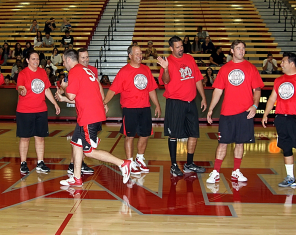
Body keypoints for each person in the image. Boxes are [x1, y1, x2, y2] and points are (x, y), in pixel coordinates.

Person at [56, 49, 132, 186]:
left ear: (68, 60)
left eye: (63, 60)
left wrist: (64, 87)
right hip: (92, 113)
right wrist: (62, 98)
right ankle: (76, 177)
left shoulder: (74, 72)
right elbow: (84, 96)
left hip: (88, 116)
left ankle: (123, 163)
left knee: (89, 151)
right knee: (76, 143)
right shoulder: (87, 71)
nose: (63, 63)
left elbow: (72, 95)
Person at [206, 40, 264, 184]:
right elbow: (218, 91)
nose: (241, 51)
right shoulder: (225, 69)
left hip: (245, 112)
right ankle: (216, 172)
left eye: (243, 48)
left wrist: (255, 105)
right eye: (238, 48)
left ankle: (236, 172)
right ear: (232, 51)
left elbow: (257, 89)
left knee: (240, 143)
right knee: (222, 143)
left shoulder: (251, 68)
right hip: (227, 113)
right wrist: (211, 109)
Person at [103, 44, 161, 174]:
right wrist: (104, 102)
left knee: (145, 134)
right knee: (129, 136)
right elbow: (113, 90)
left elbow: (151, 89)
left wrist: (157, 104)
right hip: (129, 109)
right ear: (130, 56)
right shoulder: (123, 71)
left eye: (140, 53)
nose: (140, 56)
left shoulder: (146, 70)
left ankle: (140, 158)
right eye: (137, 54)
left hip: (145, 107)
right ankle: (129, 162)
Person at [157, 36, 207, 176]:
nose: (181, 49)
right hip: (175, 102)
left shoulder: (190, 59)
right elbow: (165, 82)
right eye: (177, 47)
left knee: (193, 134)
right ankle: (173, 165)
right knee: (173, 135)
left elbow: (197, 78)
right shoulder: (167, 62)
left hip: (191, 102)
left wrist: (203, 97)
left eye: (181, 46)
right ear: (171, 48)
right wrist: (166, 69)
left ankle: (189, 163)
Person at [262, 52, 296, 188]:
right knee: (286, 149)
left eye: (284, 61)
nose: (281, 64)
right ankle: (290, 177)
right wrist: (266, 114)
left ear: (292, 63)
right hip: (280, 118)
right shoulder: (278, 80)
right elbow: (272, 98)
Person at [16, 51, 60, 174]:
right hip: (25, 111)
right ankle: (23, 163)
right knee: (25, 138)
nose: (36, 61)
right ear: (27, 60)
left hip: (41, 110)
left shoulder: (42, 72)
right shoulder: (23, 74)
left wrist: (54, 103)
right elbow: (19, 87)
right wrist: (21, 91)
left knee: (40, 137)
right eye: (33, 59)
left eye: (37, 59)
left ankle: (40, 162)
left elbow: (46, 89)